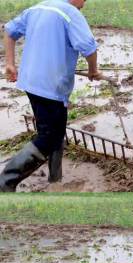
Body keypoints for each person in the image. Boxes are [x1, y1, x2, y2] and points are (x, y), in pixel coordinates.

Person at [0, 0, 103, 192]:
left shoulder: (38, 7)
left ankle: (55, 179)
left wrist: (10, 63)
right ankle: (5, 182)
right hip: (51, 87)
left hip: (31, 82)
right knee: (48, 137)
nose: (84, 4)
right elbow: (89, 47)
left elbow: (9, 31)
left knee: (56, 129)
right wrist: (93, 71)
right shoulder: (70, 13)